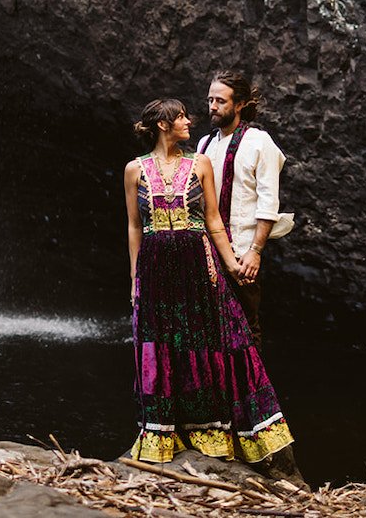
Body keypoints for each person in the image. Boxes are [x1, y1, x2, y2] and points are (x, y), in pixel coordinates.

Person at [124, 97, 295, 465]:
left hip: (198, 265)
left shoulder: (199, 163)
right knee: (162, 343)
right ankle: (163, 430)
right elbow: (134, 226)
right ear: (163, 125)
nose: (190, 121)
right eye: (181, 116)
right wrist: (135, 278)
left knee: (202, 341)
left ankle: (210, 430)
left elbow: (214, 221)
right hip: (155, 267)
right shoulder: (134, 170)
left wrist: (233, 265)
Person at [198, 71, 284, 348]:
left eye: (220, 101)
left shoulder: (260, 142)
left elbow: (269, 201)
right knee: (208, 328)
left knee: (245, 329)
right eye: (210, 99)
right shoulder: (204, 144)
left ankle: (252, 390)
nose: (212, 106)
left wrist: (255, 251)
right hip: (207, 253)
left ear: (239, 105)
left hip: (243, 254)